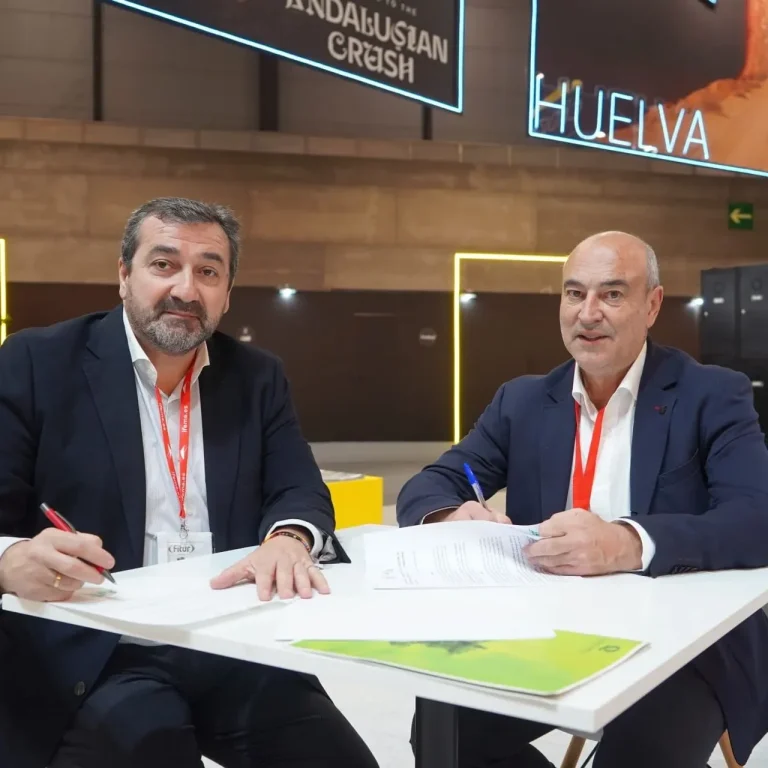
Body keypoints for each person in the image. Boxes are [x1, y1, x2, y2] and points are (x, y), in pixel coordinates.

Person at [0, 197, 379, 768]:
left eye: (208, 271)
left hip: (230, 639)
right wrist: (10, 561)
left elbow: (298, 488)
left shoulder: (257, 376)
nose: (186, 289)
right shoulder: (37, 362)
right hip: (104, 650)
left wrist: (289, 538)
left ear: (227, 293)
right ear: (123, 275)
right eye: (163, 265)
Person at [397, 231, 768, 768]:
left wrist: (626, 542)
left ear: (652, 305)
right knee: (445, 730)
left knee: (641, 755)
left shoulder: (710, 394)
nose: (588, 313)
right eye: (575, 293)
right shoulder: (523, 401)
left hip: (682, 644)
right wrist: (452, 514)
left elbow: (756, 520)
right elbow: (429, 485)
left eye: (612, 294)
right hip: (549, 630)